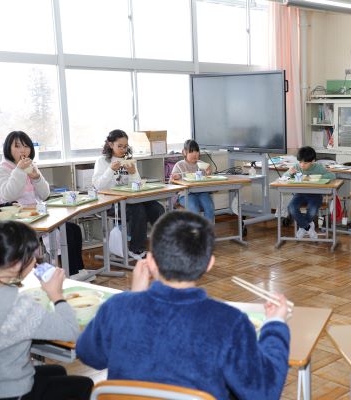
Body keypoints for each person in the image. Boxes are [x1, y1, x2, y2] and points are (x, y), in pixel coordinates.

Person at [76, 211, 290, 399]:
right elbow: (264, 392)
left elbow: (88, 353)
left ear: (150, 261)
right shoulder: (230, 321)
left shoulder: (117, 307)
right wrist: (275, 325)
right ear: (209, 264)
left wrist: (134, 297)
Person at [0, 221, 93, 400]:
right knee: (84, 384)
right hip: (11, 391)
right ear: (14, 264)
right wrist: (56, 294)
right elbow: (71, 331)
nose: (36, 260)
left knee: (56, 371)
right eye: (31, 255)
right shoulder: (19, 305)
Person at [0, 130, 87, 277]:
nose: (23, 150)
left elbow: (45, 194)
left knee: (73, 229)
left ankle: (77, 271)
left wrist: (36, 177)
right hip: (15, 219)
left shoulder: (31, 165)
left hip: (36, 214)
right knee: (66, 232)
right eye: (17, 146)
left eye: (26, 146)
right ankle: (70, 274)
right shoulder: (2, 169)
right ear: (8, 148)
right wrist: (19, 170)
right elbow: (8, 195)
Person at [92, 129, 164, 260]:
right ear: (110, 144)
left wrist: (133, 173)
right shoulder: (102, 161)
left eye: (125, 146)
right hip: (111, 203)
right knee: (138, 210)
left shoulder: (128, 159)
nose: (123, 149)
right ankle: (136, 249)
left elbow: (138, 185)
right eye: (119, 146)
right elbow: (98, 186)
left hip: (131, 199)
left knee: (157, 208)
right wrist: (110, 170)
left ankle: (164, 245)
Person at [283, 146, 335, 239]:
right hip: (299, 194)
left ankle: (302, 227)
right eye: (300, 162)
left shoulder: (318, 167)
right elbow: (284, 177)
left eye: (305, 163)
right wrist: (289, 173)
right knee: (291, 208)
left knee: (312, 210)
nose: (302, 165)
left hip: (315, 195)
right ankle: (307, 227)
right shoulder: (297, 166)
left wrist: (316, 177)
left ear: (313, 161)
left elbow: (332, 175)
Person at [169, 139, 215, 222]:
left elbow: (208, 179)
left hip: (201, 192)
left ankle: (208, 229)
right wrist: (175, 177)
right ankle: (195, 229)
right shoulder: (179, 165)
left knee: (210, 207)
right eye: (191, 151)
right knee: (194, 208)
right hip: (185, 194)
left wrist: (208, 173)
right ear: (184, 152)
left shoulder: (201, 164)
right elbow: (171, 182)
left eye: (197, 151)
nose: (195, 154)